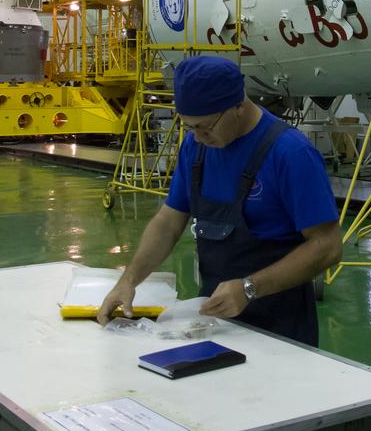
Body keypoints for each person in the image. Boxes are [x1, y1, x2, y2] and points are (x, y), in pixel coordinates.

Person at [98, 56, 341, 345]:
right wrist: (129, 279)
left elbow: (327, 246)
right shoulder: (196, 148)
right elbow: (168, 222)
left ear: (237, 105)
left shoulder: (290, 154)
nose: (198, 137)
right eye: (190, 128)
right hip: (215, 322)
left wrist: (249, 288)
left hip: (281, 328)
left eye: (204, 127)